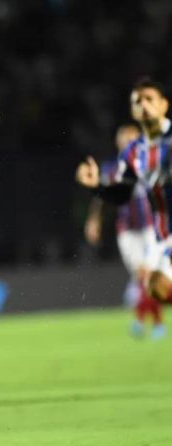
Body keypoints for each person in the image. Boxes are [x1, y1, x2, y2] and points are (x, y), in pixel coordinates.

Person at [77, 77, 172, 312]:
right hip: (164, 236)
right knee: (156, 287)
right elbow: (121, 194)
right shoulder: (133, 152)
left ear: (164, 105)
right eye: (137, 101)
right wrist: (97, 186)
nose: (144, 105)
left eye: (149, 99)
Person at [82, 124, 164, 339]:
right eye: (126, 140)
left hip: (150, 227)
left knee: (148, 275)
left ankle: (149, 323)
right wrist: (94, 220)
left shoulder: (150, 163)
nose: (130, 143)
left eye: (134, 139)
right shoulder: (112, 168)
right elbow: (102, 197)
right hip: (127, 230)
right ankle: (148, 322)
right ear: (119, 143)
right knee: (142, 278)